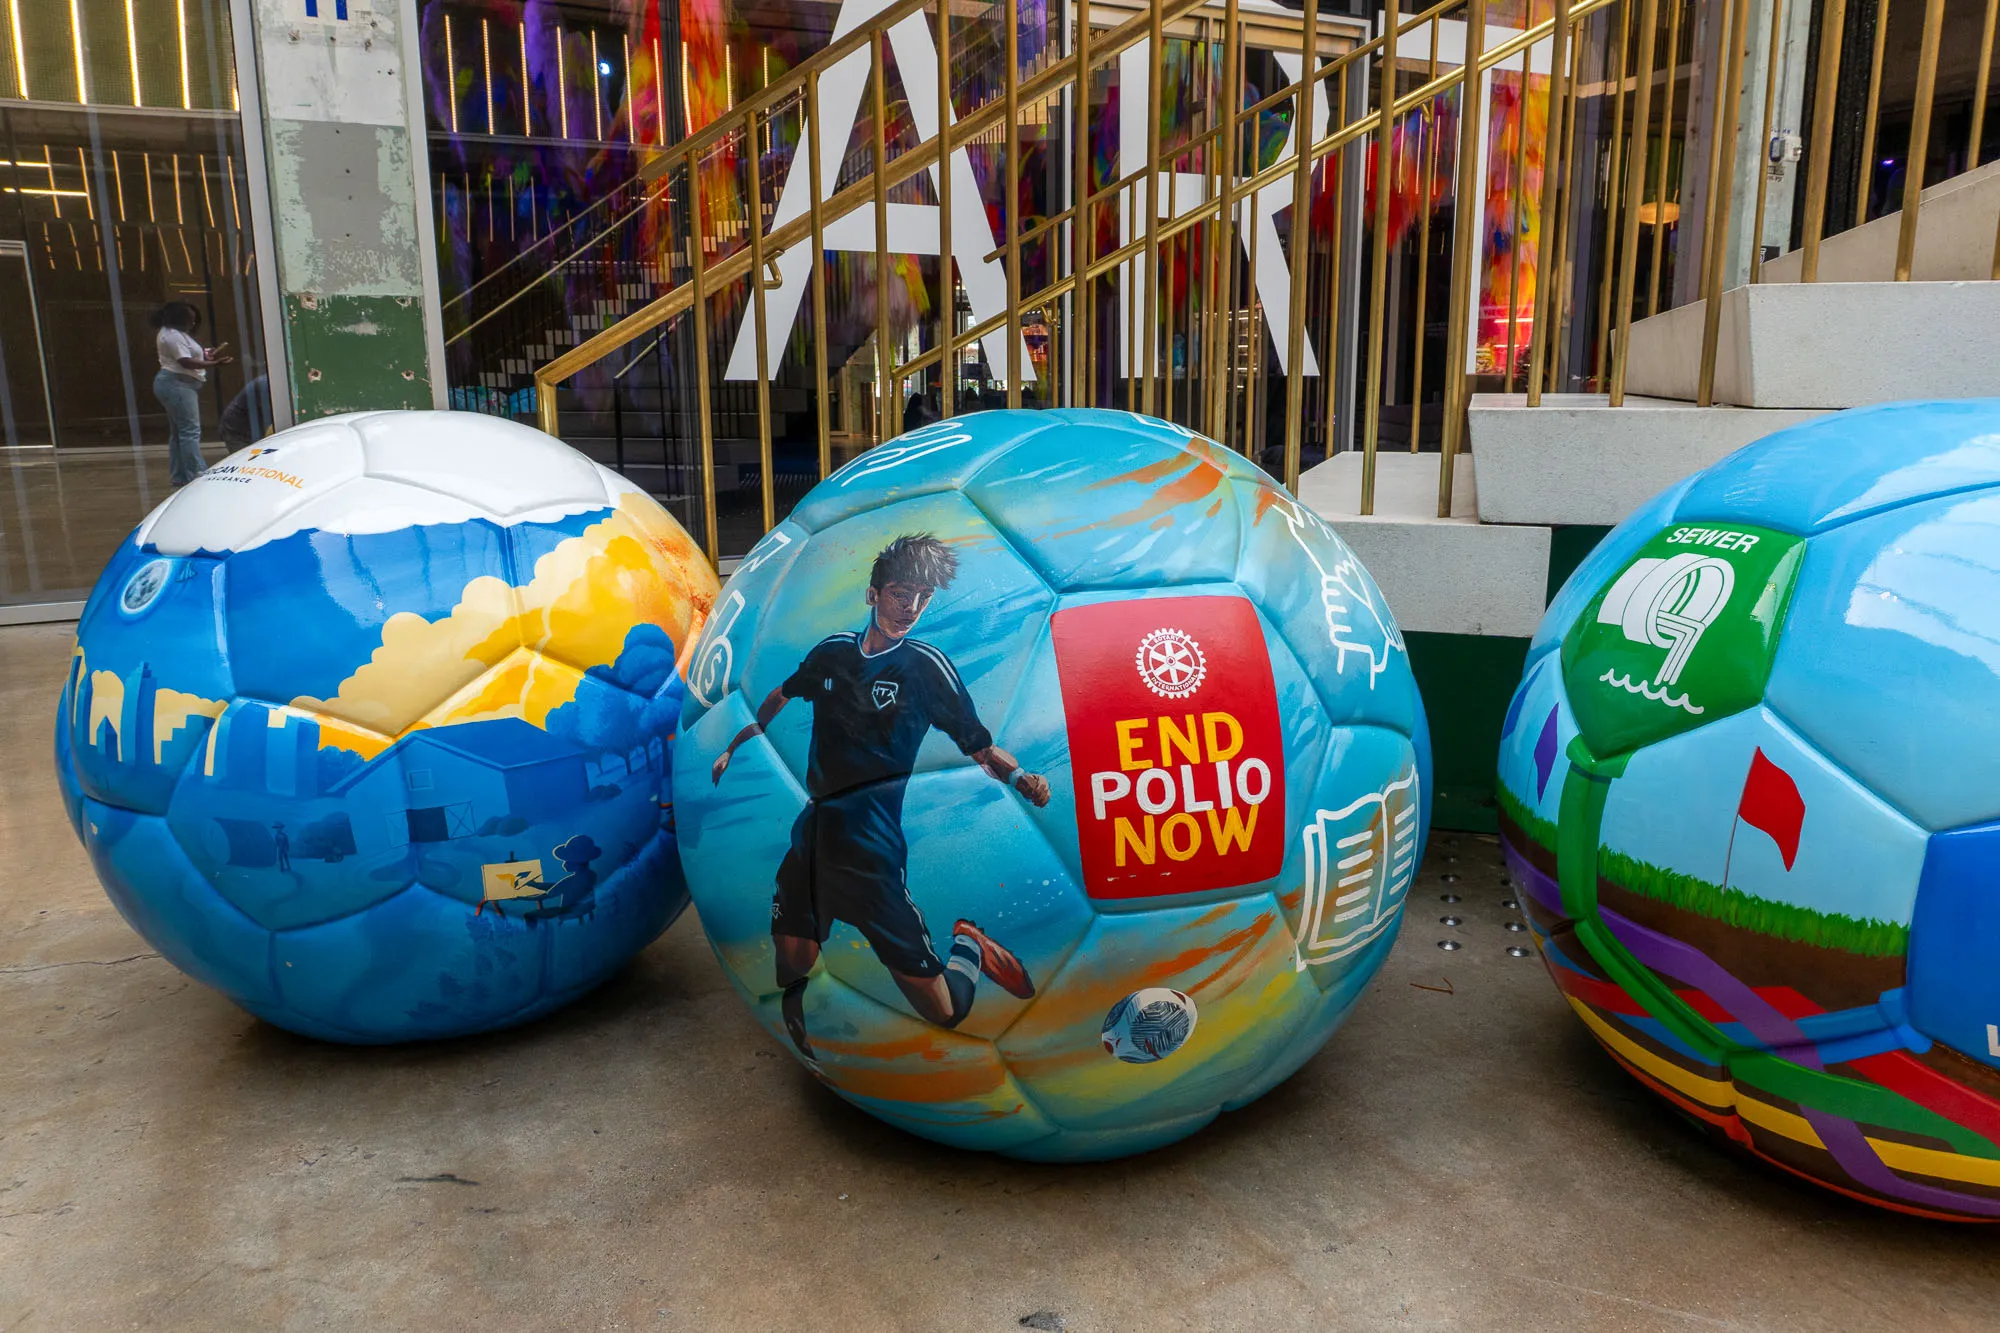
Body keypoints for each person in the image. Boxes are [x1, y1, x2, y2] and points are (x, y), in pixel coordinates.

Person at [710, 533, 1051, 1064]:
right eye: (900, 594)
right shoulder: (833, 653)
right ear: (873, 594)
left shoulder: (925, 668)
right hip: (814, 836)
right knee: (790, 962)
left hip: (871, 851)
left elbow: (980, 747)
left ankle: (968, 946)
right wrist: (734, 745)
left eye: (922, 597)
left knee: (943, 1011)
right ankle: (811, 1049)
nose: (911, 608)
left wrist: (1022, 776)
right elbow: (779, 694)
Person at [149, 302, 232, 486]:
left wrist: (205, 354)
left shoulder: (176, 334)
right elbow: (186, 362)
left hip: (177, 384)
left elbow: (189, 355)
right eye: (190, 319)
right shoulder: (172, 335)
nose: (193, 323)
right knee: (190, 431)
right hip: (178, 384)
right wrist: (215, 364)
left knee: (179, 433)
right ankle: (197, 474)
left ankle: (180, 476)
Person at [219, 372, 272, 448]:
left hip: (246, 427)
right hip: (236, 429)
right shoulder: (265, 384)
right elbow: (269, 414)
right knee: (248, 454)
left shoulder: (267, 382)